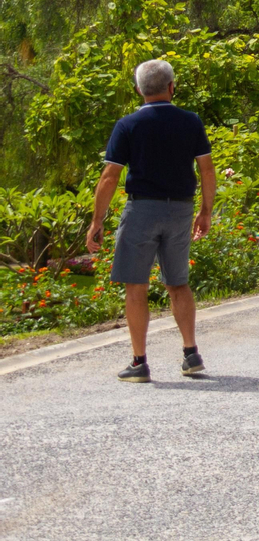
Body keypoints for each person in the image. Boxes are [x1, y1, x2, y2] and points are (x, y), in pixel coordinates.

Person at [86, 59, 216, 383]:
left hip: (142, 210)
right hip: (181, 210)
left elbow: (109, 177)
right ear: (172, 87)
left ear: (138, 89)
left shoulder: (127, 125)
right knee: (178, 282)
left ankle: (139, 362)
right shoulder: (191, 122)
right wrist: (206, 211)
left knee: (136, 284)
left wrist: (97, 221)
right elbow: (207, 169)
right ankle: (190, 353)